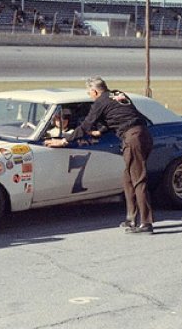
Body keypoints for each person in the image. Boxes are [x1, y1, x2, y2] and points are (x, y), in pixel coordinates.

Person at [45, 76, 154, 234]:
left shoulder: (100, 102)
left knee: (138, 180)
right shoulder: (118, 94)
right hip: (143, 135)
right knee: (128, 179)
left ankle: (146, 223)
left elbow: (85, 125)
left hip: (133, 139)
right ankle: (131, 219)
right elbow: (121, 115)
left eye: (89, 93)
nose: (89, 95)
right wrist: (102, 131)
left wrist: (64, 140)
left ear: (95, 91)